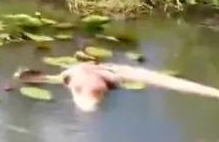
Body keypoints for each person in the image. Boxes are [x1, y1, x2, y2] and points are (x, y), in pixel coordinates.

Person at [16, 62, 219, 112]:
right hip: (109, 72)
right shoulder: (67, 75)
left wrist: (87, 106)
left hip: (116, 74)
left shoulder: (76, 79)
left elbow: (90, 97)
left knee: (176, 84)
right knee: (176, 84)